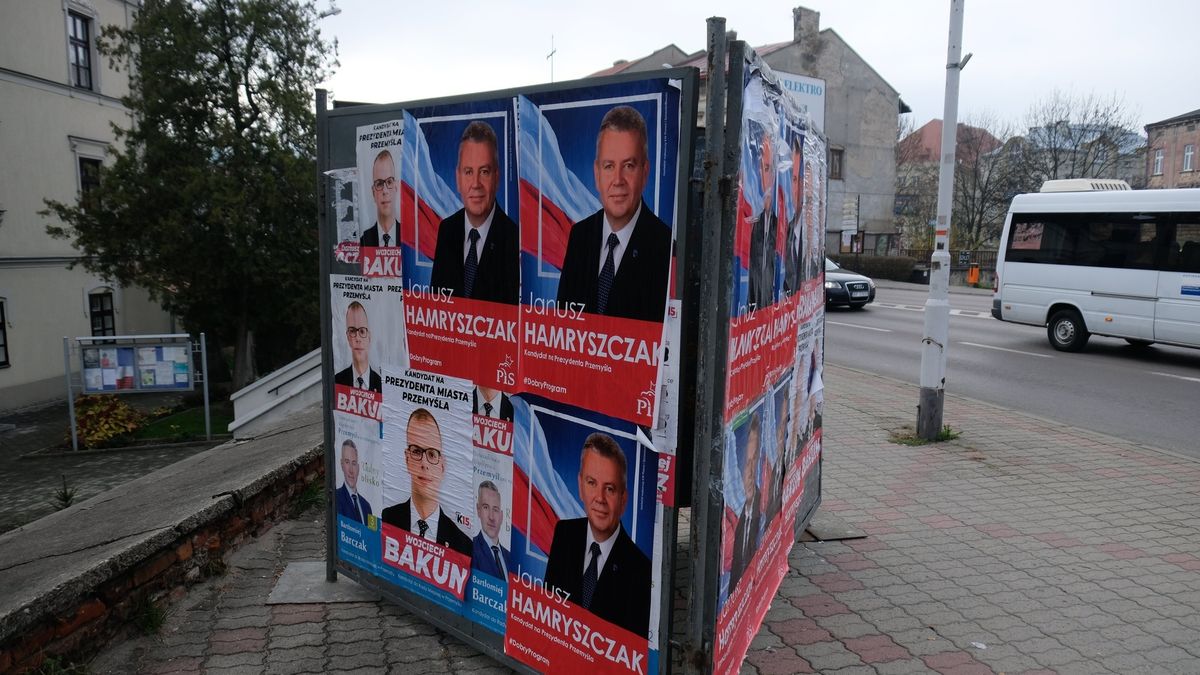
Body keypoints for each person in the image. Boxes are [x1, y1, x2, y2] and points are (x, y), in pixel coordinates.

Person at [556, 106, 671, 322]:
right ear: (597, 174)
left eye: (628, 165)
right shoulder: (580, 235)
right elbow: (564, 319)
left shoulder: (665, 245)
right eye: (609, 166)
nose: (618, 180)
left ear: (644, 173)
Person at [544, 432, 651, 638]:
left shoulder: (641, 570)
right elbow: (551, 607)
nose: (600, 498)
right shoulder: (563, 534)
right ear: (580, 486)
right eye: (592, 483)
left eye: (610, 488)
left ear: (623, 499)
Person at [429, 122, 519, 304]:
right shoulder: (447, 230)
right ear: (458, 178)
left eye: (484, 172)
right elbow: (436, 303)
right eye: (468, 172)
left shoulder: (513, 237)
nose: (476, 183)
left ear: (497, 177)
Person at [380, 408, 472, 556]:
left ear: (442, 465)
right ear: (407, 458)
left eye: (432, 454)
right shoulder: (386, 519)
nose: (424, 463)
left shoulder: (463, 544)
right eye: (416, 451)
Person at [729, 413, 763, 589]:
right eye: (746, 462)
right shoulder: (729, 518)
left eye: (754, 461)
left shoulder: (760, 507)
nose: (750, 471)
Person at [747, 132, 777, 311]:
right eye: (765, 169)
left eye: (771, 169)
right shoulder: (749, 224)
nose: (769, 178)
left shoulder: (779, 226)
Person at [334, 301, 382, 392]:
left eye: (362, 331)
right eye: (352, 331)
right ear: (347, 336)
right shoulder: (337, 382)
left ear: (369, 336)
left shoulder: (382, 386)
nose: (357, 338)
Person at [471, 480, 512, 579]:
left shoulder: (510, 557)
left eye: (495, 509)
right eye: (486, 507)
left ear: (501, 516)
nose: (491, 517)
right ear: (478, 510)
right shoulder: (471, 547)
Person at [360, 149, 399, 247]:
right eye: (380, 184)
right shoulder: (363, 241)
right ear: (373, 193)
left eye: (389, 182)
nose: (385, 191)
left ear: (396, 187)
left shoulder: (409, 240)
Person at [783, 133, 805, 297]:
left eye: (797, 180)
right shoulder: (780, 231)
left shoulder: (806, 238)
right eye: (792, 179)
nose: (794, 190)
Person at [334, 440, 372, 524]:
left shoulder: (366, 506)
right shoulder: (336, 497)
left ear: (358, 468)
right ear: (342, 465)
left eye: (354, 463)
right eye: (347, 462)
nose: (351, 470)